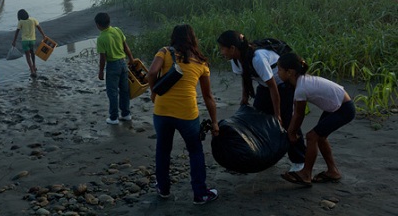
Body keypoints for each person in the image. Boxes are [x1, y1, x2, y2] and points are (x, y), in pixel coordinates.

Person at [146, 24, 219, 205]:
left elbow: (152, 72)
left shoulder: (164, 52)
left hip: (162, 111)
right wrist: (215, 122)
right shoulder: (201, 62)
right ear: (193, 39)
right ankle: (200, 194)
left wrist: (153, 92)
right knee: (195, 151)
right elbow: (208, 96)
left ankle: (163, 189)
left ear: (173, 37)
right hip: (187, 113)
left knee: (163, 150)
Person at [217, 30, 306, 172]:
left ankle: (300, 161)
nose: (221, 52)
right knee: (258, 119)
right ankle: (267, 153)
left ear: (232, 48)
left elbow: (273, 87)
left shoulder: (257, 58)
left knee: (289, 121)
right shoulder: (235, 60)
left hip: (282, 86)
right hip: (265, 87)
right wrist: (244, 98)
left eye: (222, 48)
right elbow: (245, 77)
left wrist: (277, 114)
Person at [278, 53, 356, 187]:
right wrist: (291, 131)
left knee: (312, 136)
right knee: (320, 137)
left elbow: (299, 114)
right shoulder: (301, 82)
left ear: (290, 72)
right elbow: (296, 110)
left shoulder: (301, 88)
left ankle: (306, 174)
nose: (277, 73)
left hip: (344, 108)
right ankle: (333, 171)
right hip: (336, 105)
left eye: (279, 69)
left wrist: (291, 132)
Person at [94, 12, 134, 125]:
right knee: (124, 90)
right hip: (123, 63)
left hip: (112, 66)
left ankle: (113, 117)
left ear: (98, 25)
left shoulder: (101, 38)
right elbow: (125, 46)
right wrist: (131, 58)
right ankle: (126, 114)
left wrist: (101, 71)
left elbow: (103, 58)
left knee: (112, 92)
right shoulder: (117, 30)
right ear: (109, 21)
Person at [12, 9, 46, 78]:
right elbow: (39, 28)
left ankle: (32, 71)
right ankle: (34, 65)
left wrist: (14, 41)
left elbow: (17, 32)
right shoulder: (33, 20)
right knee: (32, 52)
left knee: (27, 56)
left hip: (25, 41)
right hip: (32, 40)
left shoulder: (21, 22)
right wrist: (43, 35)